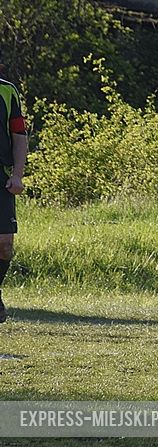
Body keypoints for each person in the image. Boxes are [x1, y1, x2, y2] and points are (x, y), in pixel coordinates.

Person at [0, 56, 28, 324]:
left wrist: (17, 174)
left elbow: (19, 135)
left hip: (1, 177)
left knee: (5, 244)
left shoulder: (8, 91)